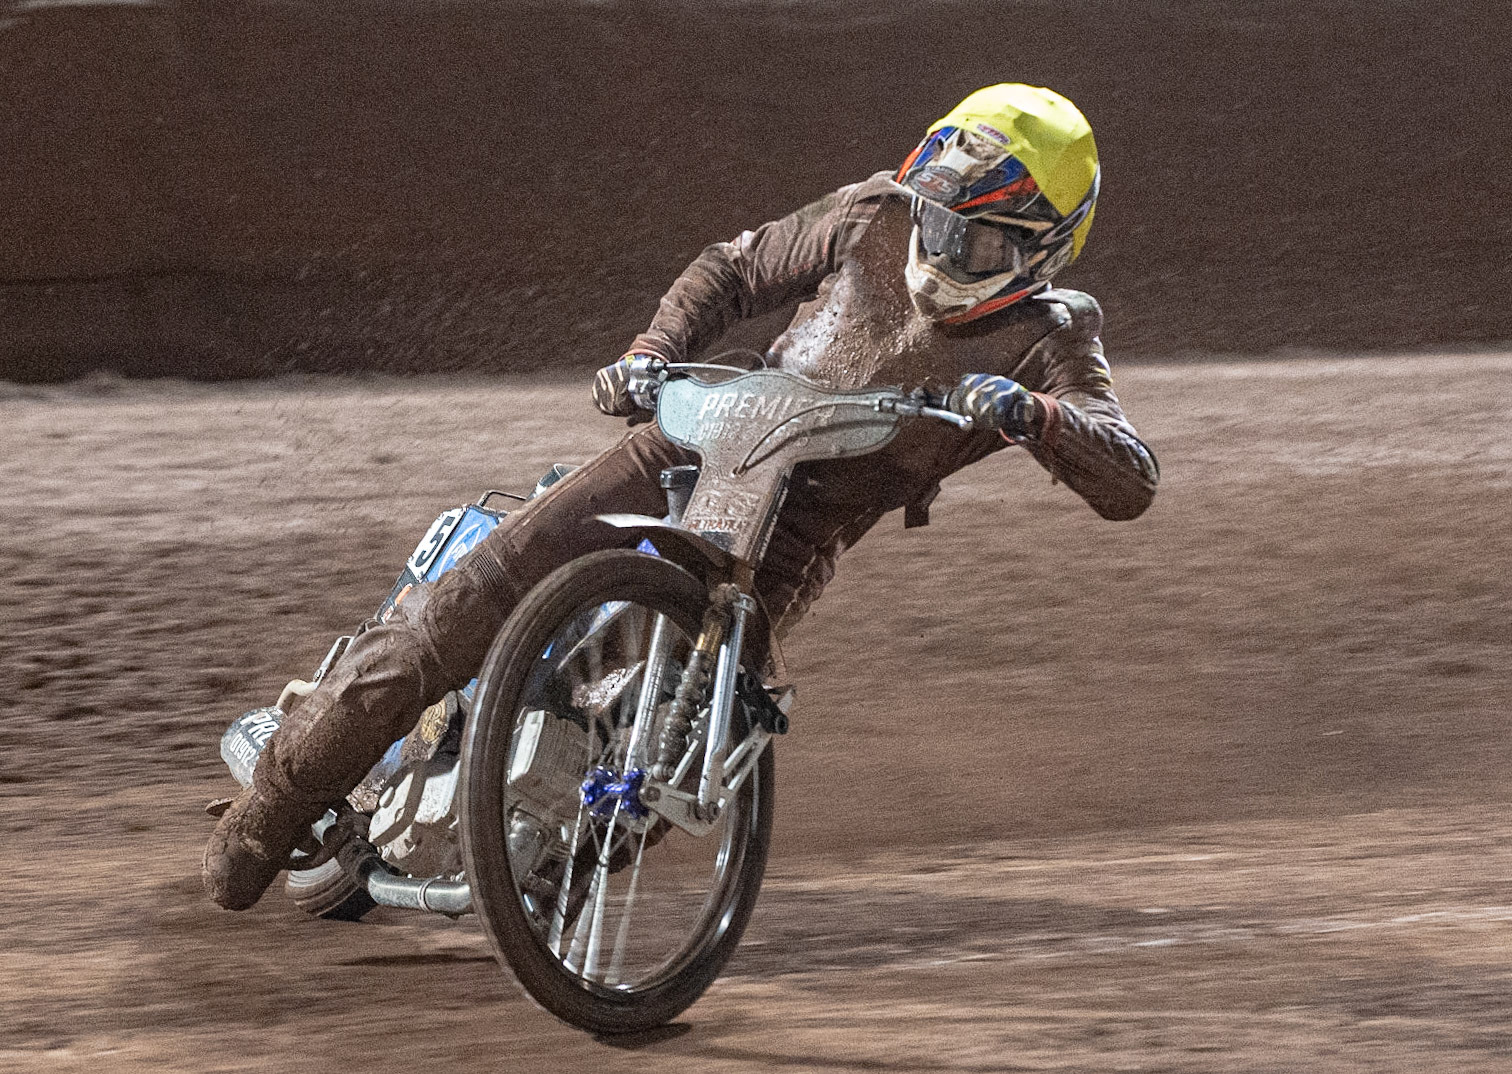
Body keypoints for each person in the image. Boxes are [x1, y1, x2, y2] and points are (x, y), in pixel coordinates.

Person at [204, 82, 1160, 910]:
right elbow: (734, 269)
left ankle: (541, 896)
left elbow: (1129, 476)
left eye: (984, 243)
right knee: (445, 620)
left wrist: (1037, 416)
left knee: (656, 779)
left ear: (1046, 251)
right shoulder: (872, 213)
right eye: (941, 223)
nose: (948, 252)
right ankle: (264, 819)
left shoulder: (1053, 334)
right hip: (682, 454)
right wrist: (648, 354)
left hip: (781, 547)